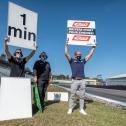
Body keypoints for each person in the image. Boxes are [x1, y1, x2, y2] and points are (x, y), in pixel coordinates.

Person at [64, 39, 96, 115]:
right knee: (72, 95)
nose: (79, 55)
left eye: (80, 55)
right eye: (78, 54)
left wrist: (93, 47)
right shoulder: (71, 61)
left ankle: (81, 109)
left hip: (82, 81)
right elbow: (66, 53)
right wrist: (66, 45)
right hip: (74, 80)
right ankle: (70, 108)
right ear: (75, 55)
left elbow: (90, 55)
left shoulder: (82, 61)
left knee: (82, 96)